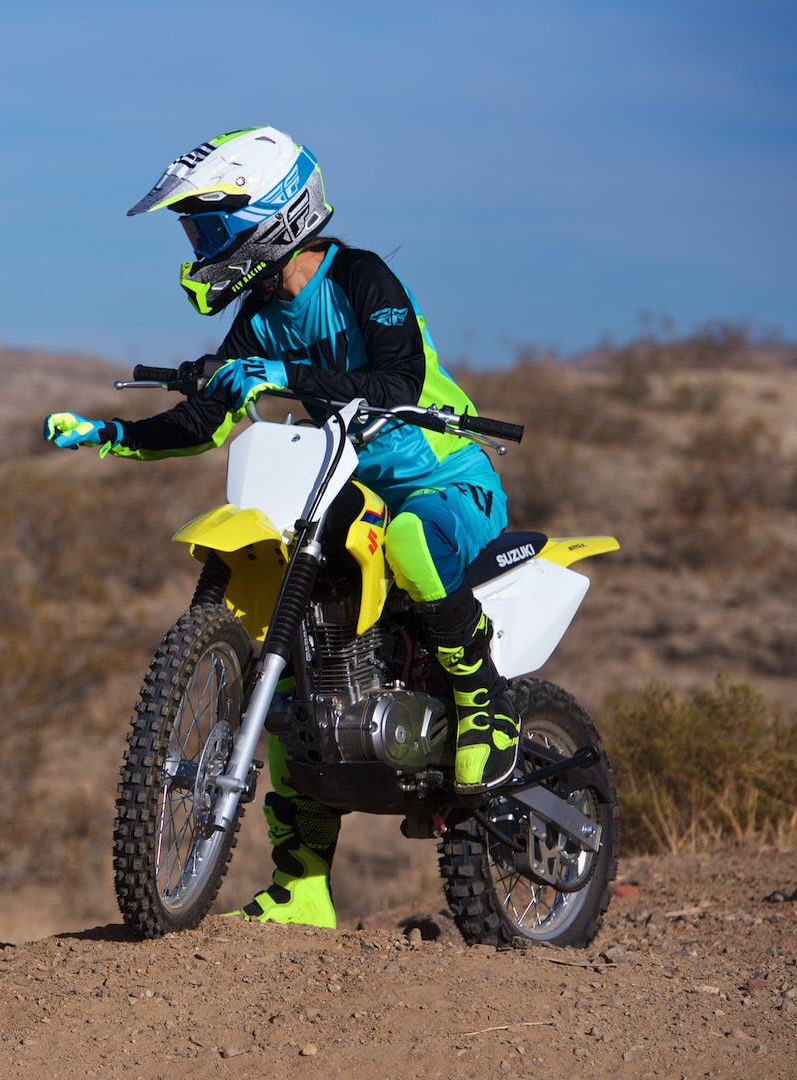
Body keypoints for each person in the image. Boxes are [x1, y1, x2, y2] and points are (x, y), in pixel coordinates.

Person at [43, 127, 519, 928]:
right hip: (344, 489)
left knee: (408, 541)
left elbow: (397, 375)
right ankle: (303, 886)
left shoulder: (361, 277)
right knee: (298, 664)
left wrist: (286, 375)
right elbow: (209, 418)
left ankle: (487, 706)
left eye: (209, 224)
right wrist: (111, 435)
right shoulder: (261, 314)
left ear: (270, 215)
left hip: (448, 482)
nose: (200, 243)